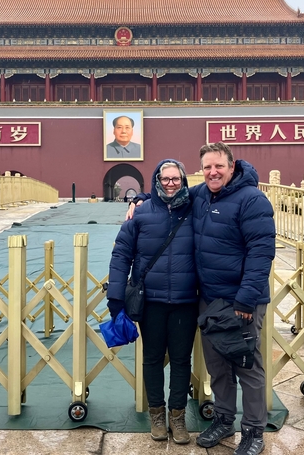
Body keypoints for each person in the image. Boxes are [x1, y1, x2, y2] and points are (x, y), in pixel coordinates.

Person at [127, 142, 275, 455]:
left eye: (219, 166)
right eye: (207, 167)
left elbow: (261, 253)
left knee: (247, 366)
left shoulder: (253, 200)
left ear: (232, 167)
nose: (213, 172)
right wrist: (141, 198)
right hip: (210, 300)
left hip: (241, 301)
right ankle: (223, 420)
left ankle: (253, 431)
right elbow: (168, 193)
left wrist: (246, 300)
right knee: (217, 366)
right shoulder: (202, 195)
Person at [107, 159, 198, 444]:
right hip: (152, 300)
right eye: (165, 178)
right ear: (157, 180)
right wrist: (116, 296)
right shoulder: (142, 214)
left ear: (183, 180)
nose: (171, 183)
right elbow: (122, 255)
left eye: (176, 179)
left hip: (185, 299)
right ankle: (157, 415)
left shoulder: (196, 212)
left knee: (183, 360)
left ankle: (178, 417)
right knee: (153, 358)